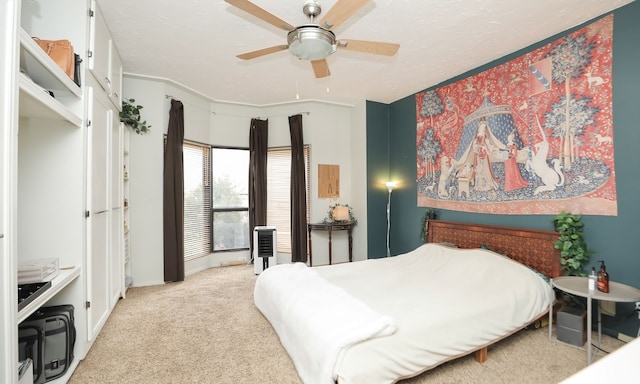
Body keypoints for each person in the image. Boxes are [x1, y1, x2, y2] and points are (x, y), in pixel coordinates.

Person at [472, 120, 499, 191]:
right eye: (482, 127)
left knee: (485, 167)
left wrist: (490, 148)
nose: (483, 129)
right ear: (479, 127)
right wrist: (477, 148)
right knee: (479, 167)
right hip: (478, 153)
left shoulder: (485, 134)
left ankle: (487, 183)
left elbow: (488, 143)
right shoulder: (477, 135)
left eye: (484, 128)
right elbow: (474, 144)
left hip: (484, 151)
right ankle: (479, 185)